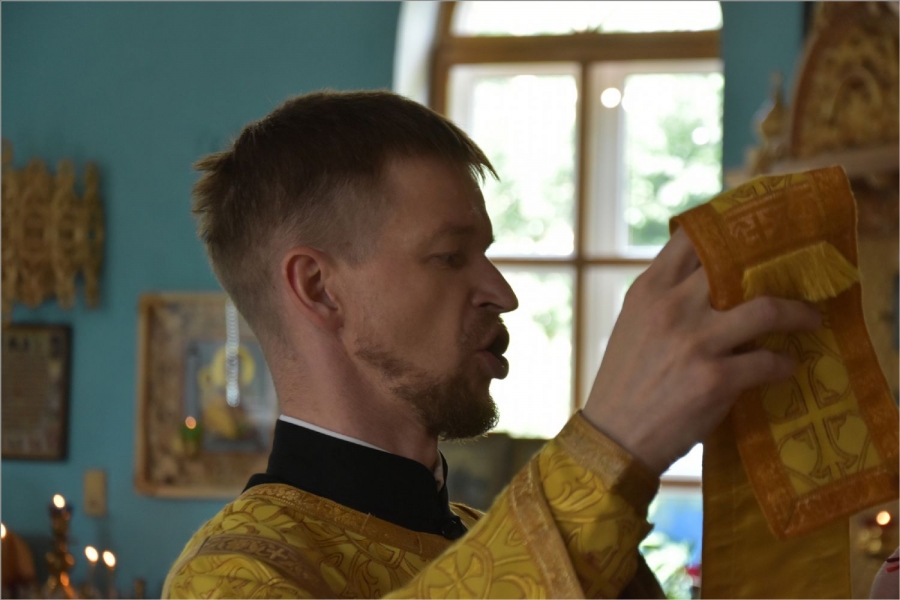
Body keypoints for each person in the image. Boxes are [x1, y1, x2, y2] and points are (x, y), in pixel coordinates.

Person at [163, 90, 821, 599]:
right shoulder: (232, 575)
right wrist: (613, 443)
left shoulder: (496, 536)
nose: (502, 293)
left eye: (487, 254)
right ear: (319, 288)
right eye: (451, 257)